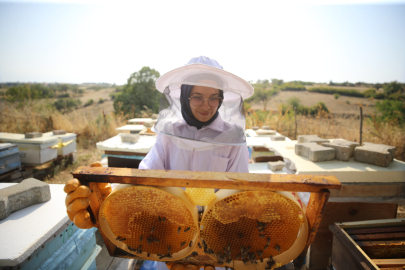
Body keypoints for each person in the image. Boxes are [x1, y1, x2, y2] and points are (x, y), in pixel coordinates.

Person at [64, 56, 254, 269]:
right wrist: (111, 203)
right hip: (168, 236)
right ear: (184, 96)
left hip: (217, 243)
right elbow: (147, 178)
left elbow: (238, 195)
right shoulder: (170, 132)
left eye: (213, 98)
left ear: (221, 99)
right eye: (197, 97)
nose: (206, 106)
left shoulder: (233, 138)